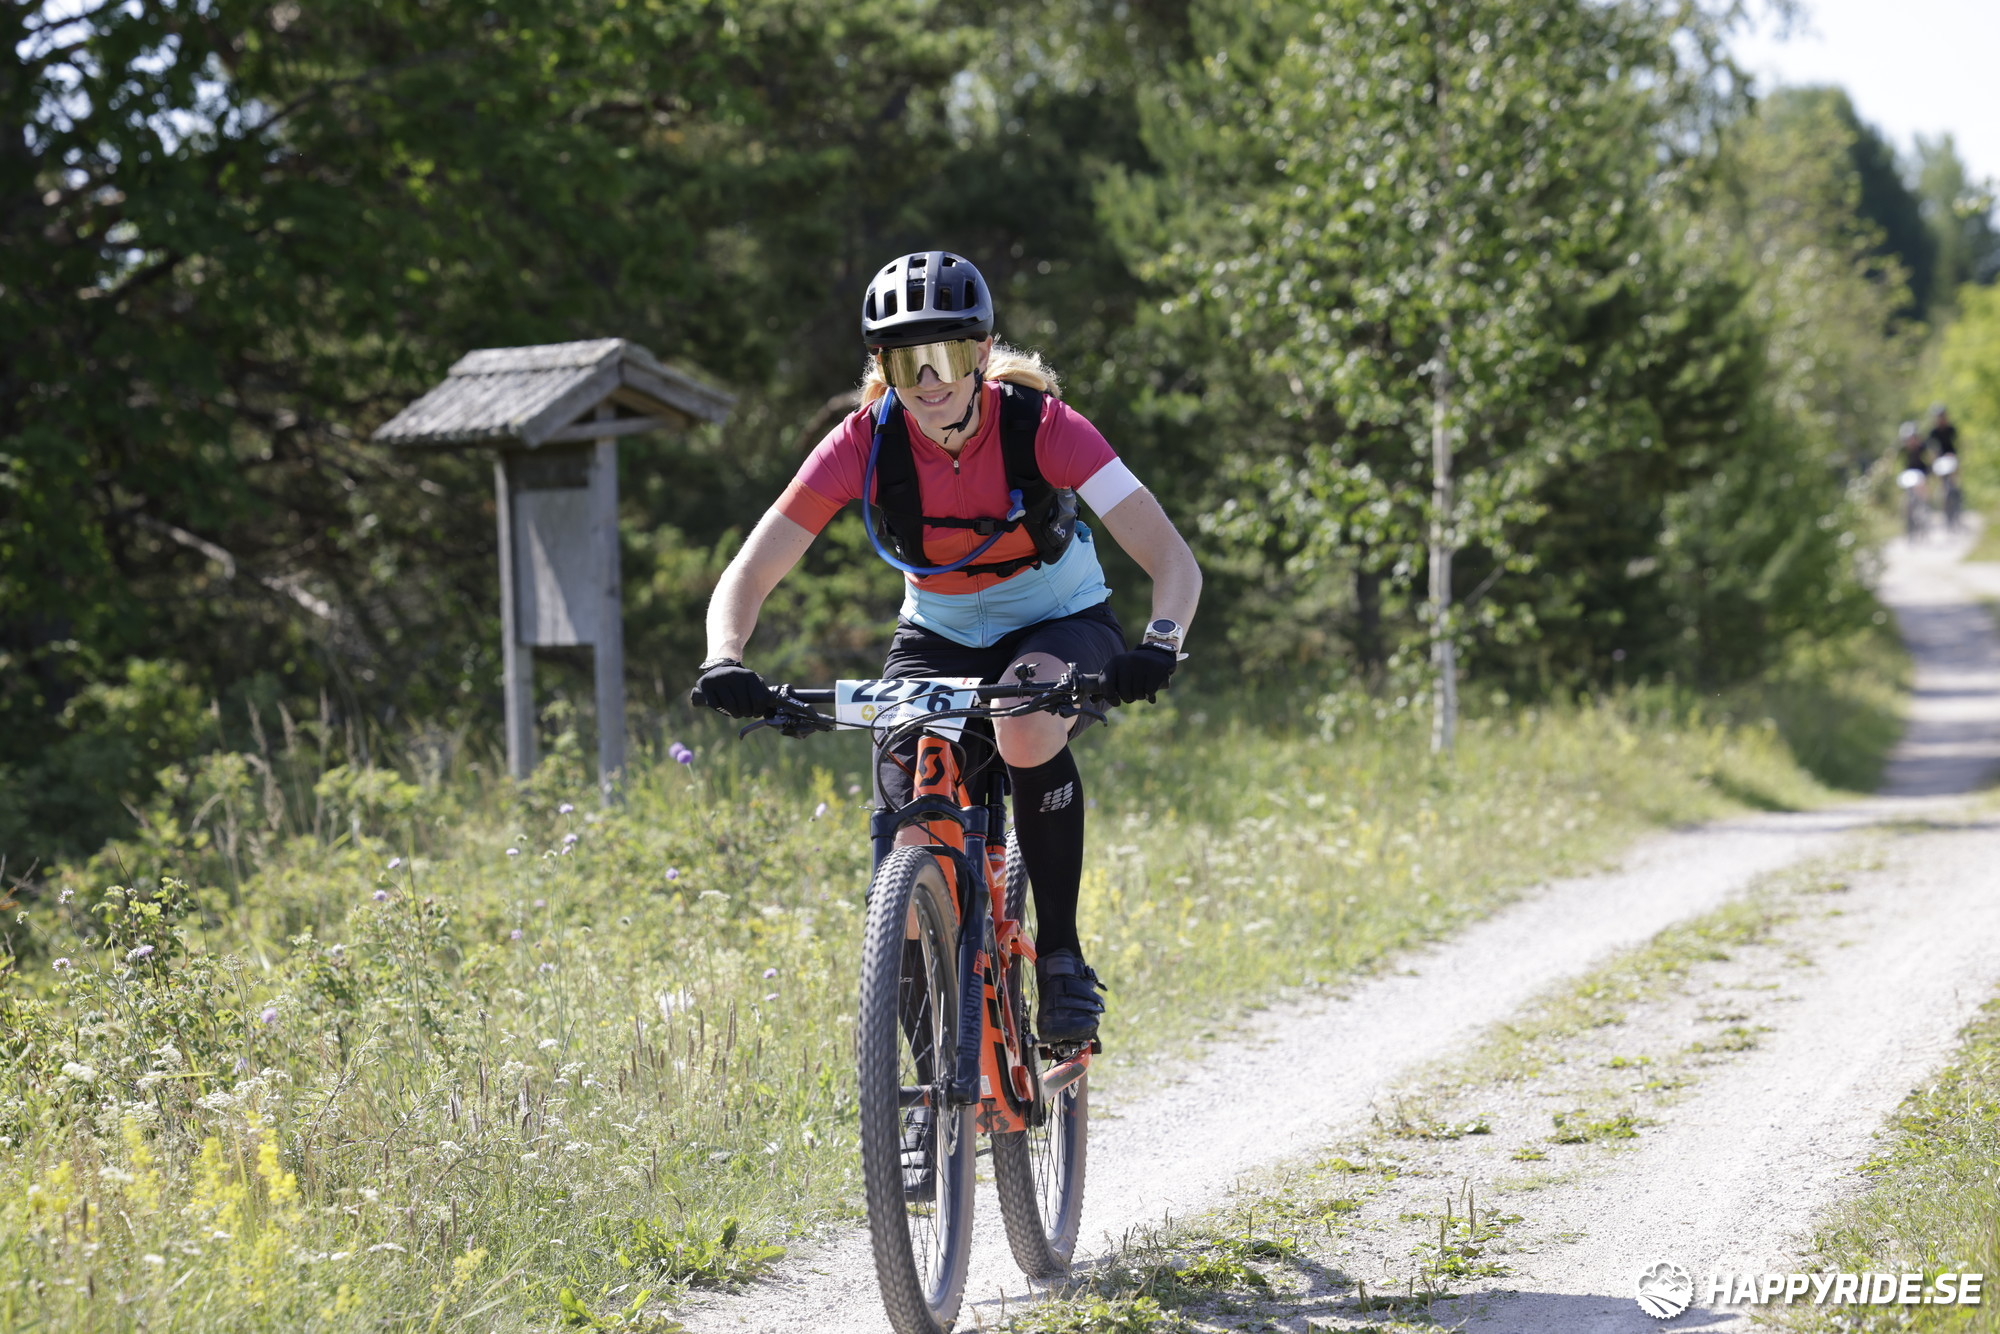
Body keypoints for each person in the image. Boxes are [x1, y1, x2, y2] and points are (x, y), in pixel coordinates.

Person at [694, 250, 1202, 1050]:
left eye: (949, 355)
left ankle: (1061, 958)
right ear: (883, 367)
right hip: (936, 637)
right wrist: (724, 657)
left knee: (1023, 722)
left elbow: (1173, 560)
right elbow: (751, 570)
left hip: (1058, 620)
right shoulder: (862, 442)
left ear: (982, 352)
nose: (931, 381)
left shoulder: (1044, 427)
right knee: (909, 821)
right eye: (908, 362)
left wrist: (1160, 644)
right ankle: (929, 1079)